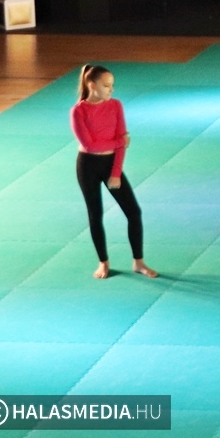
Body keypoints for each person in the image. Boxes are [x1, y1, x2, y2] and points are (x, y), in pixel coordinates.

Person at [70, 65, 157, 280]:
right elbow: (90, 145)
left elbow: (120, 141)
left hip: (111, 164)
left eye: (112, 85)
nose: (111, 90)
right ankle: (103, 262)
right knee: (95, 214)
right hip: (87, 166)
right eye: (106, 85)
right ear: (92, 85)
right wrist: (119, 142)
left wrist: (116, 173)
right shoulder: (78, 111)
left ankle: (138, 262)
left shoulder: (116, 105)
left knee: (133, 212)